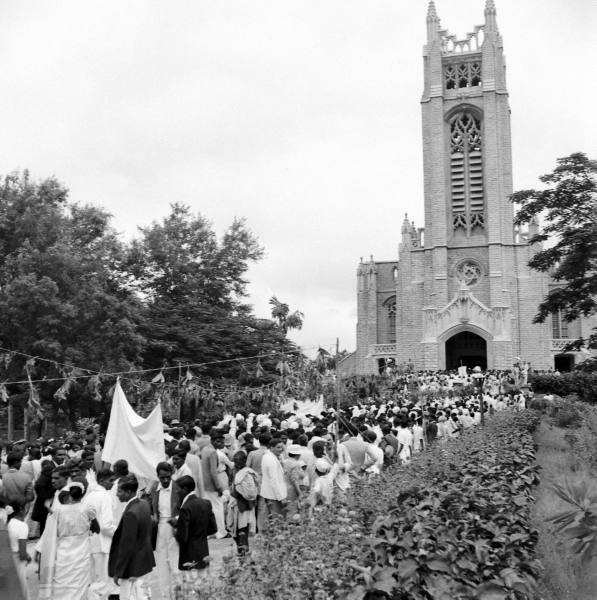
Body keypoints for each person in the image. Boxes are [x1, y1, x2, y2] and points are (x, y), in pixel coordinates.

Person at [40, 478, 97, 600]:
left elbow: (52, 525)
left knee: (62, 576)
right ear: (82, 495)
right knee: (80, 578)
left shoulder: (59, 511)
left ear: (70, 494)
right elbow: (96, 526)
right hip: (82, 549)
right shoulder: (88, 509)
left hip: (64, 550)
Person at [108, 474, 155, 600]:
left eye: (119, 491)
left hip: (131, 566)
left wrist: (118, 571)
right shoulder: (144, 504)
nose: (117, 494)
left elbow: (126, 545)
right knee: (143, 594)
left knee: (128, 596)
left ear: (129, 492)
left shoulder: (130, 513)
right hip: (144, 560)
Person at [148, 461, 182, 600]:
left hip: (174, 527)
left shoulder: (178, 488)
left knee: (175, 563)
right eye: (162, 477)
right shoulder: (155, 488)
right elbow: (151, 507)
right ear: (158, 476)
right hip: (160, 528)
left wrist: (177, 520)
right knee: (162, 564)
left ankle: (179, 595)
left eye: (168, 477)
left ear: (171, 474)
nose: (165, 480)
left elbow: (185, 508)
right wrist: (153, 516)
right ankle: (165, 596)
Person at [84, 468, 118, 600]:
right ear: (102, 481)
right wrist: (118, 535)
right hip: (104, 543)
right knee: (103, 582)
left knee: (96, 579)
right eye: (111, 481)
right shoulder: (105, 497)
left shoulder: (89, 496)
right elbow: (106, 525)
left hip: (92, 542)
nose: (113, 484)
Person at [175, 475, 217, 570]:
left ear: (185, 489)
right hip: (203, 552)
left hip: (189, 556)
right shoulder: (206, 503)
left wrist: (176, 529)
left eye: (178, 489)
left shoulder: (185, 508)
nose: (176, 492)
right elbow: (213, 528)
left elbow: (183, 537)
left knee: (191, 582)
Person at [226, 451, 258, 554]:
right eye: (235, 462)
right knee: (236, 532)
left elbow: (251, 492)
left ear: (244, 460)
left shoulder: (248, 473)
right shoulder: (234, 470)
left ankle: (244, 552)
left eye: (238, 461)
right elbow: (231, 485)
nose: (236, 464)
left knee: (243, 530)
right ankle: (241, 551)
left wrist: (237, 491)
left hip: (244, 506)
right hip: (236, 504)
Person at [201, 433, 228, 539]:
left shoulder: (205, 449)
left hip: (204, 483)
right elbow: (213, 472)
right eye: (219, 442)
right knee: (218, 508)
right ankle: (221, 532)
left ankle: (213, 532)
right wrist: (218, 487)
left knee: (210, 508)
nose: (222, 444)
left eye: (222, 442)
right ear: (213, 441)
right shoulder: (212, 452)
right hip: (211, 484)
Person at [259, 438, 287, 528]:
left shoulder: (269, 456)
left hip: (271, 493)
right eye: (278, 447)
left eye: (282, 447)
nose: (281, 449)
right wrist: (280, 497)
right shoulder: (270, 459)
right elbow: (274, 480)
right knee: (277, 520)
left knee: (273, 520)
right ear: (271, 447)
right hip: (274, 495)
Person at [7, 499, 31, 599]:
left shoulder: (8, 523)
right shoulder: (22, 526)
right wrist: (28, 557)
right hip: (17, 561)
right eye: (26, 508)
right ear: (21, 509)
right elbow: (22, 554)